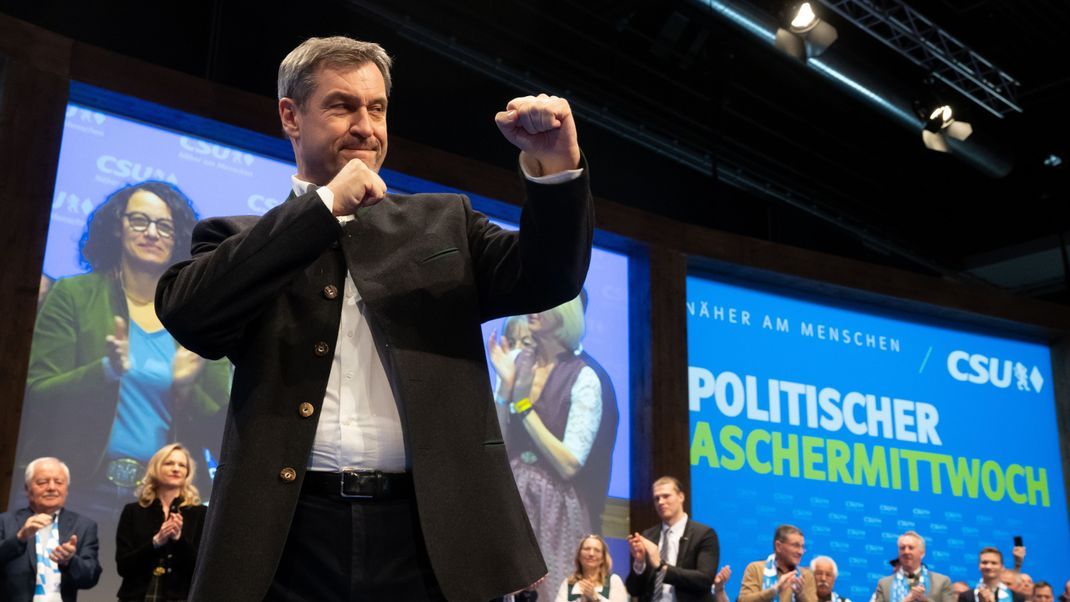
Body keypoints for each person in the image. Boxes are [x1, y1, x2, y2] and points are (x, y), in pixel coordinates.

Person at [155, 35, 592, 602]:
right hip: (285, 538)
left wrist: (556, 167)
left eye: (377, 107)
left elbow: (549, 276)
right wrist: (323, 208)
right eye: (342, 105)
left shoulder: (444, 223)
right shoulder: (238, 240)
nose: (366, 125)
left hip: (428, 535)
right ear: (291, 115)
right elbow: (191, 316)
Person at [19, 181, 230, 498]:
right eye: (139, 220)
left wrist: (185, 390)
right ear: (117, 226)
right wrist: (105, 370)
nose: (151, 233)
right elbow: (37, 393)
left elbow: (221, 437)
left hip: (161, 499)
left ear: (179, 239)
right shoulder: (73, 296)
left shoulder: (198, 317)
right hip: (77, 489)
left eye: (164, 226)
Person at [488, 293, 619, 599]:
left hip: (555, 509)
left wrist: (522, 405)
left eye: (545, 304)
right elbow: (496, 446)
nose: (532, 309)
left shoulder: (585, 376)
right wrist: (505, 391)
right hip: (512, 499)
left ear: (565, 315)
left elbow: (569, 463)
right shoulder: (515, 362)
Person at [115, 443, 207, 601]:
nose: (176, 469)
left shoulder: (199, 514)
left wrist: (178, 540)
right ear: (156, 468)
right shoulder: (133, 511)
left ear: (188, 473)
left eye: (182, 465)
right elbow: (124, 567)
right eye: (169, 463)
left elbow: (200, 569)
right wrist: (156, 542)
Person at [0, 457, 102, 601]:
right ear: (27, 489)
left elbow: (90, 578)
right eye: (42, 482)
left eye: (59, 482)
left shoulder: (84, 526)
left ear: (66, 490)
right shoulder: (5, 521)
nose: (52, 488)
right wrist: (20, 538)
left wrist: (70, 561)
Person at [625, 476, 719, 602]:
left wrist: (661, 567)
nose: (660, 502)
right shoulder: (648, 536)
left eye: (666, 496)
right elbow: (633, 590)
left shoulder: (703, 534)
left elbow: (704, 579)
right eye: (656, 498)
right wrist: (639, 563)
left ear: (681, 497)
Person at [737, 525, 817, 602]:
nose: (800, 552)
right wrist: (774, 590)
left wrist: (800, 596)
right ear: (778, 546)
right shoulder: (756, 569)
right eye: (795, 546)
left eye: (802, 547)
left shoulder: (806, 575)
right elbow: (743, 600)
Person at [872, 531, 955, 602]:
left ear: (922, 553)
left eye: (911, 548)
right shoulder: (884, 584)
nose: (906, 551)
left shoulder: (941, 582)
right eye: (902, 548)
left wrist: (924, 600)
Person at [554, 534, 627, 602]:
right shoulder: (568, 583)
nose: (591, 554)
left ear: (603, 558)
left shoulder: (613, 581)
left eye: (597, 550)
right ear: (579, 555)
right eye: (587, 549)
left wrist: (596, 597)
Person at [959, 548, 1025, 602]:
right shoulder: (966, 597)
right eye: (984, 562)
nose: (988, 566)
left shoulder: (1016, 597)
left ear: (1002, 567)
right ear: (979, 566)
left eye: (994, 563)